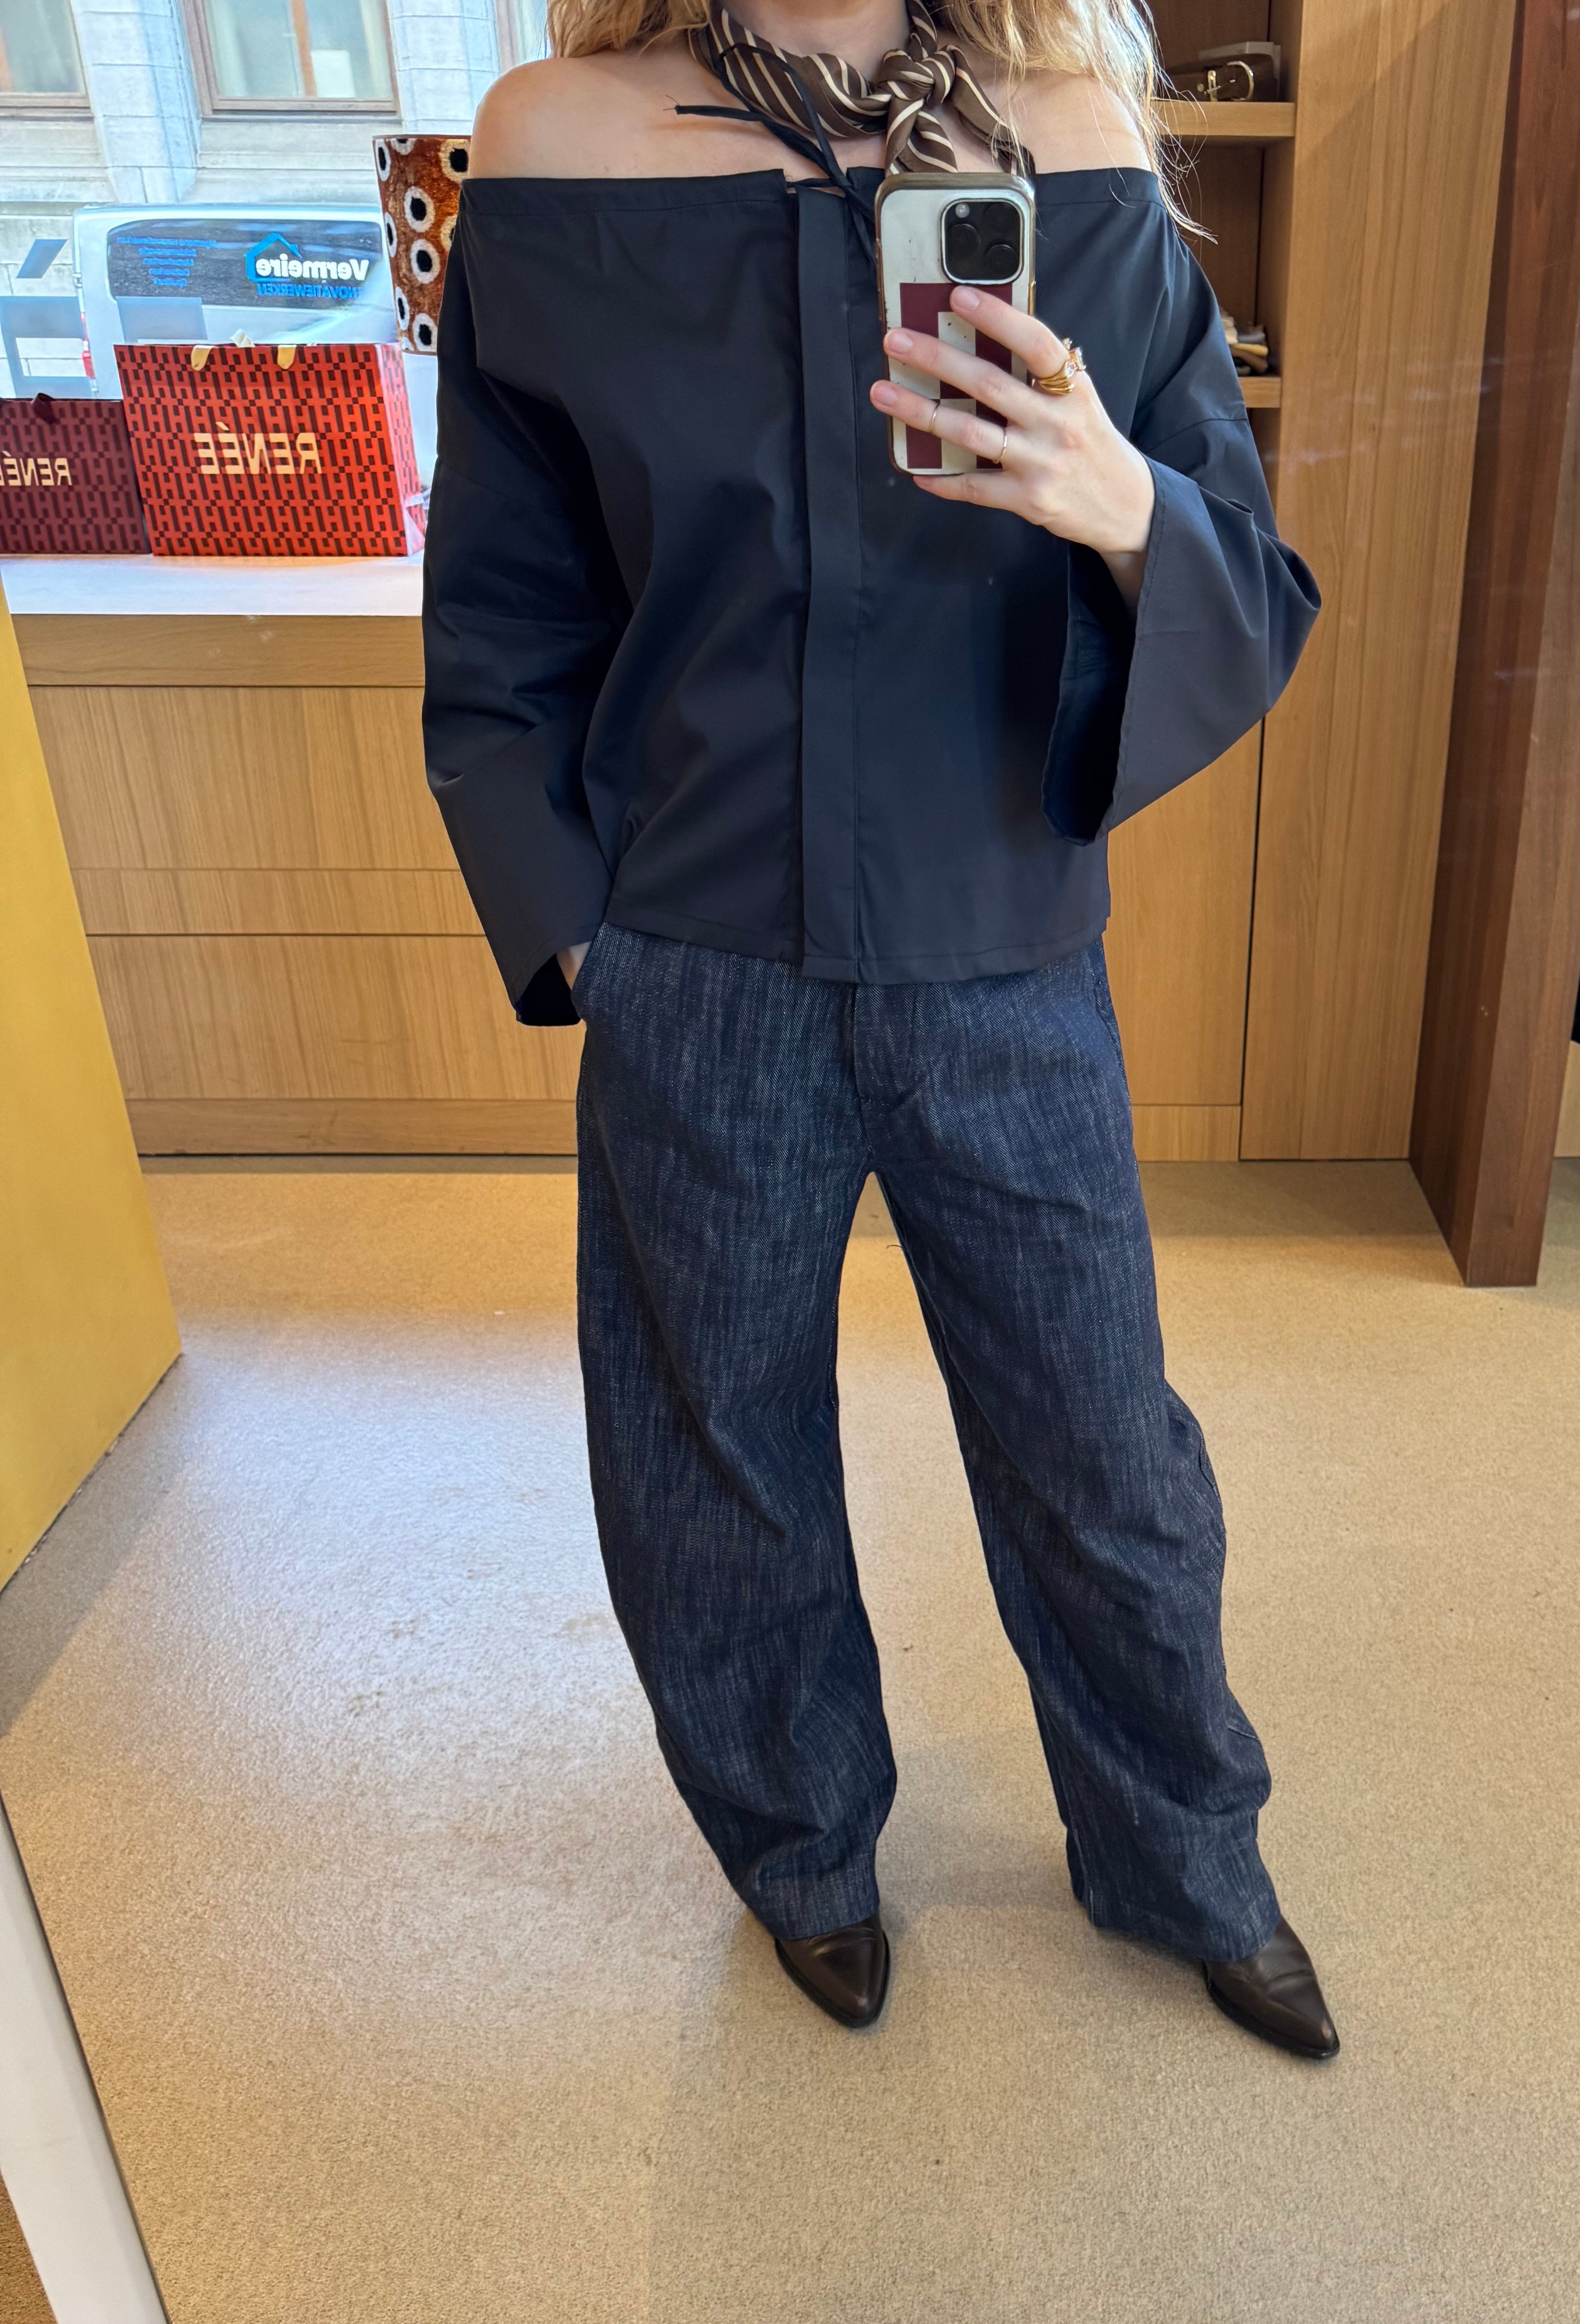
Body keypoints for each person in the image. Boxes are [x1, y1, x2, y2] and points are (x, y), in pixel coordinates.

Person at [421, 0, 1337, 2055]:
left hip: (999, 938)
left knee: (1105, 1453)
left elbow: (1240, 572)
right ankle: (800, 1849)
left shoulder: (1067, 136)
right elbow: (504, 588)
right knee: (711, 1454)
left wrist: (1119, 501)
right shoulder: (555, 144)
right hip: (696, 949)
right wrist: (576, 934)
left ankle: (1186, 1852)